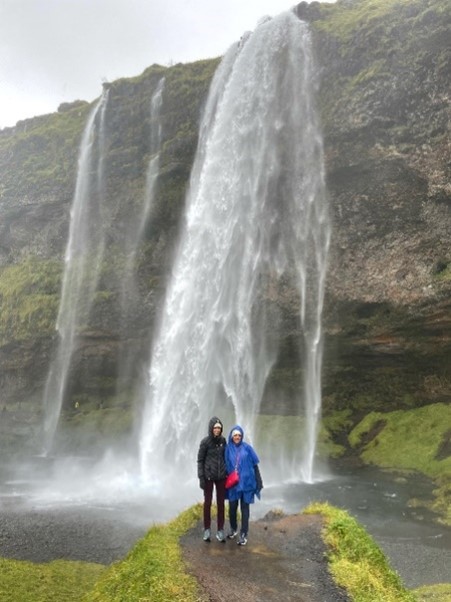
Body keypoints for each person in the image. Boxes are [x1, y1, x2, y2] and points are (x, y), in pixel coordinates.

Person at [225, 424, 263, 546]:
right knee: (232, 508)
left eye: (239, 435)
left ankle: (244, 534)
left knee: (245, 510)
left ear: (242, 436)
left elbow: (255, 465)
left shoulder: (248, 448)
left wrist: (259, 481)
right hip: (233, 485)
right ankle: (233, 528)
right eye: (235, 435)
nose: (237, 437)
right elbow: (224, 465)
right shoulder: (227, 449)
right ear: (231, 436)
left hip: (246, 484)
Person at [197, 416, 227, 542]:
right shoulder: (205, 442)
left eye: (219, 428)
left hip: (221, 477)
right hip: (208, 477)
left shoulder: (223, 441)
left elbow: (226, 457)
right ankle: (207, 529)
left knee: (221, 504)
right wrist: (201, 477)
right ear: (211, 428)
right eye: (215, 427)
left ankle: (220, 530)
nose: (217, 430)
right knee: (207, 503)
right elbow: (200, 460)